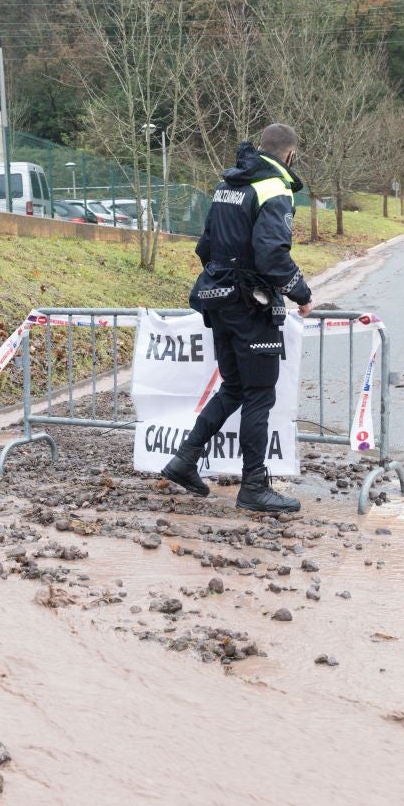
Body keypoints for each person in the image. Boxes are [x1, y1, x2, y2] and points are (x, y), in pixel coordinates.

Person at [161, 123, 312, 513]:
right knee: (259, 394)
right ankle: (254, 486)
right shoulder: (274, 187)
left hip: (218, 299)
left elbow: (205, 245)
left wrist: (224, 279)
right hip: (251, 305)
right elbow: (272, 255)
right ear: (290, 155)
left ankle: (184, 460)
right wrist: (301, 293)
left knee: (233, 388)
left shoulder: (228, 184)